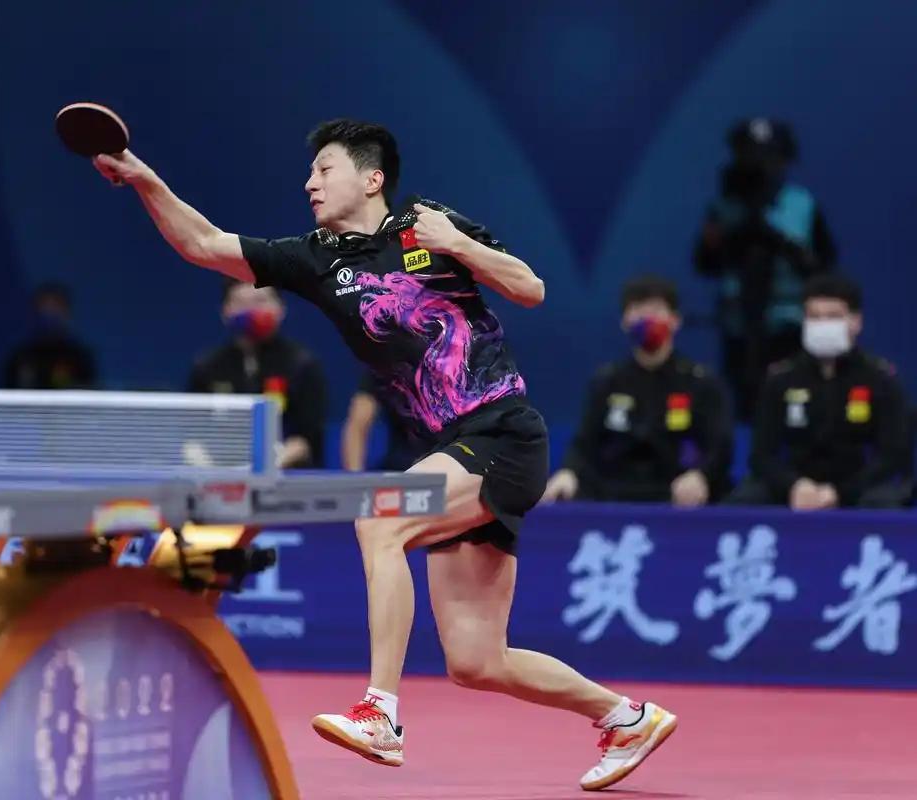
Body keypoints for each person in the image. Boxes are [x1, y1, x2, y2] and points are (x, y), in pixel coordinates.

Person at [91, 118, 676, 790]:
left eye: (324, 169)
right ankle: (625, 717)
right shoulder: (315, 259)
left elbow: (529, 288)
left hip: (501, 432)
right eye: (309, 173)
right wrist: (144, 179)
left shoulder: (428, 225)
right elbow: (203, 244)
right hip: (450, 449)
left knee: (380, 518)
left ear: (371, 179)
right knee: (476, 660)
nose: (309, 183)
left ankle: (380, 713)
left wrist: (458, 244)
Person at [542, 276, 732, 506]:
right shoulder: (607, 381)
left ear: (675, 320)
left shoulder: (700, 382)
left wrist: (701, 475)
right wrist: (569, 471)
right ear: (624, 321)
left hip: (677, 491)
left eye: (656, 310)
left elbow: (719, 447)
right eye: (639, 311)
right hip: (614, 492)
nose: (648, 319)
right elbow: (584, 443)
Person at [728, 274, 913, 509]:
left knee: (883, 501)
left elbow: (892, 455)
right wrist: (794, 486)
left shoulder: (881, 380)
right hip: (797, 486)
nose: (822, 325)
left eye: (833, 316)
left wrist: (839, 492)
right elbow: (762, 455)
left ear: (856, 322)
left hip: (859, 487)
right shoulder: (781, 379)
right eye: (814, 317)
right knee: (746, 498)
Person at [693, 118, 837, 421]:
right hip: (739, 329)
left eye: (769, 158)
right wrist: (736, 237)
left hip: (790, 328)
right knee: (745, 406)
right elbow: (705, 264)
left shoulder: (802, 205)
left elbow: (825, 267)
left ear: (784, 161)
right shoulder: (723, 208)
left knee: (796, 407)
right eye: (749, 158)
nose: (759, 167)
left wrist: (781, 243)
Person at [188, 278, 328, 468]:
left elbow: (308, 437)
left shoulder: (302, 365)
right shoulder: (207, 366)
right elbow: (192, 432)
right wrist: (204, 465)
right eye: (240, 303)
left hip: (287, 476)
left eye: (260, 301)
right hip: (222, 474)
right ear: (225, 311)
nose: (250, 311)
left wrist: (268, 466)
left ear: (280, 309)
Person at [1, 282, 98, 389]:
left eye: (56, 308)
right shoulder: (21, 358)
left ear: (67, 313)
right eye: (45, 308)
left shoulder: (79, 358)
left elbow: (89, 392)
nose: (50, 314)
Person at [340, 371, 426, 472]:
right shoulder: (386, 369)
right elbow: (357, 426)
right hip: (399, 470)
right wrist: (355, 477)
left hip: (438, 465)